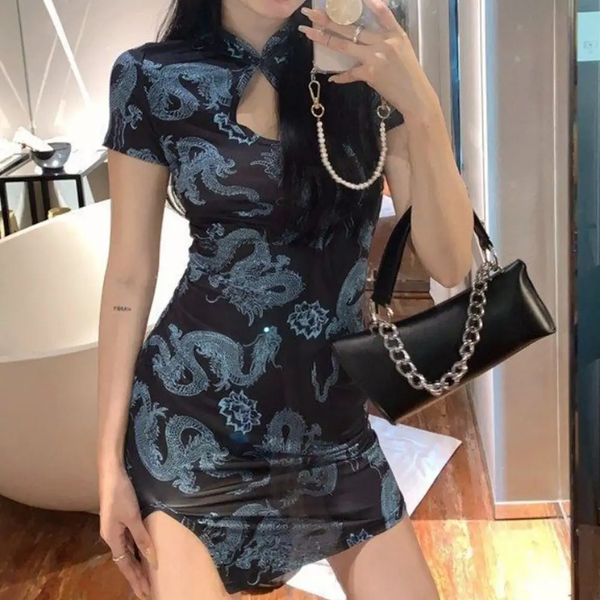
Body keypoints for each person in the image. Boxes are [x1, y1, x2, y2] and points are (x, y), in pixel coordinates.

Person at [97, 1, 473, 599]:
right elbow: (127, 277)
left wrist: (422, 106)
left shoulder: (364, 65)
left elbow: (451, 263)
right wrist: (106, 464)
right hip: (190, 429)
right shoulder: (150, 77)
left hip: (333, 428)